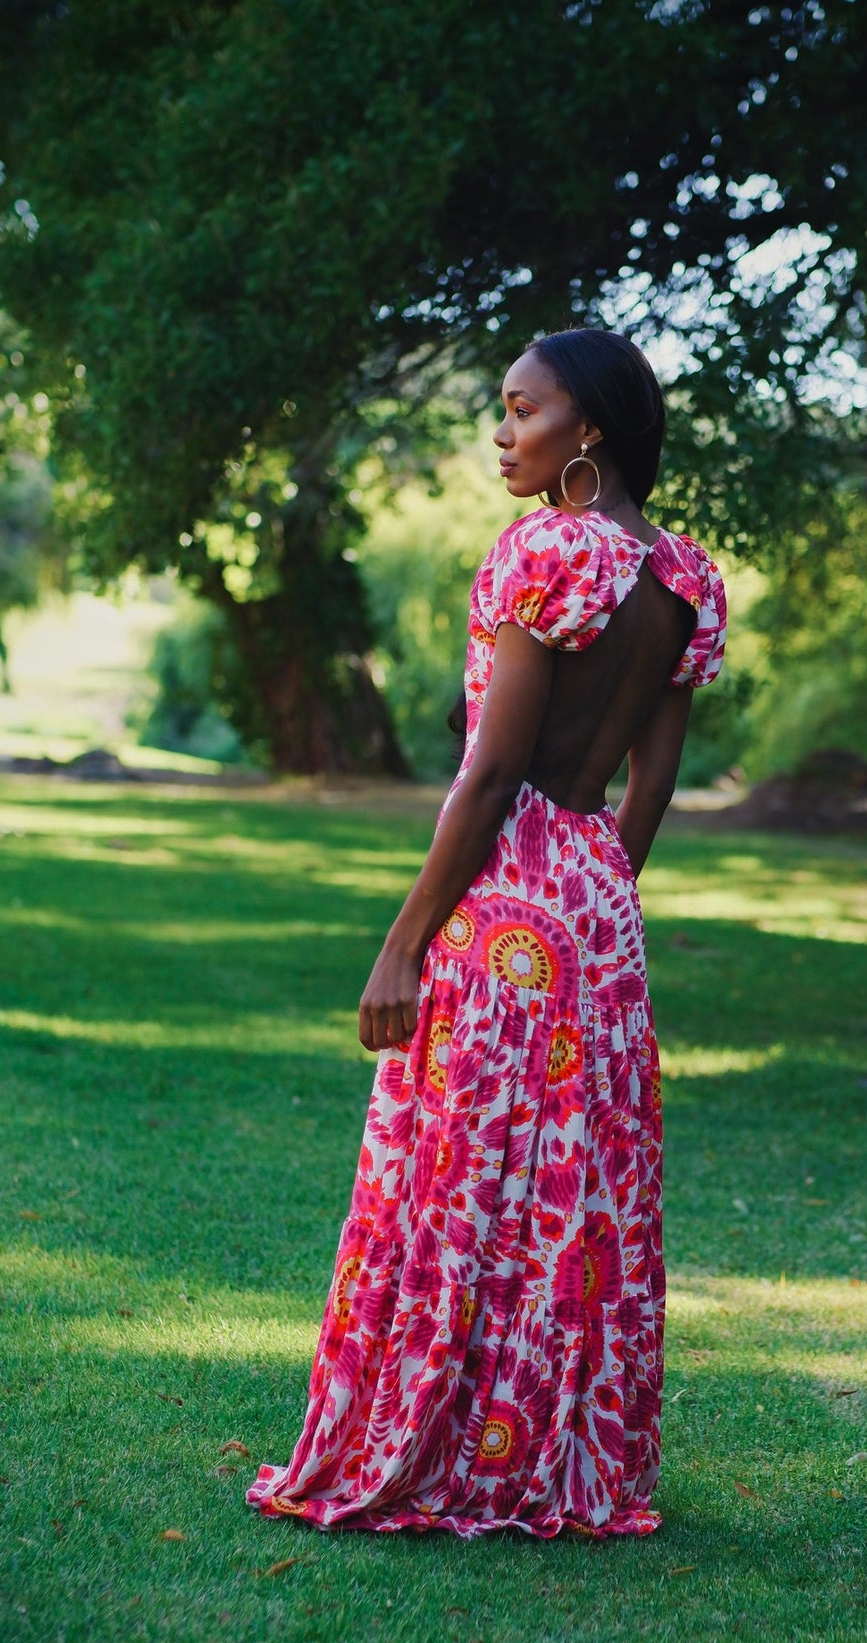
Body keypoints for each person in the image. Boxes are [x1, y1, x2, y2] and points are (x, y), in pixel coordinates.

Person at [247, 327, 726, 1538]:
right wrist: (598, 896)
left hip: (505, 896)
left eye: (523, 411)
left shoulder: (547, 551)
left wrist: (406, 939)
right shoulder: (684, 578)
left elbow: (494, 766)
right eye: (500, 413)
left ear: (590, 428)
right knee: (570, 1196)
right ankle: (550, 1460)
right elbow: (653, 783)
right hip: (597, 907)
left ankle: (442, 1451)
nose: (503, 436)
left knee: (463, 1181)